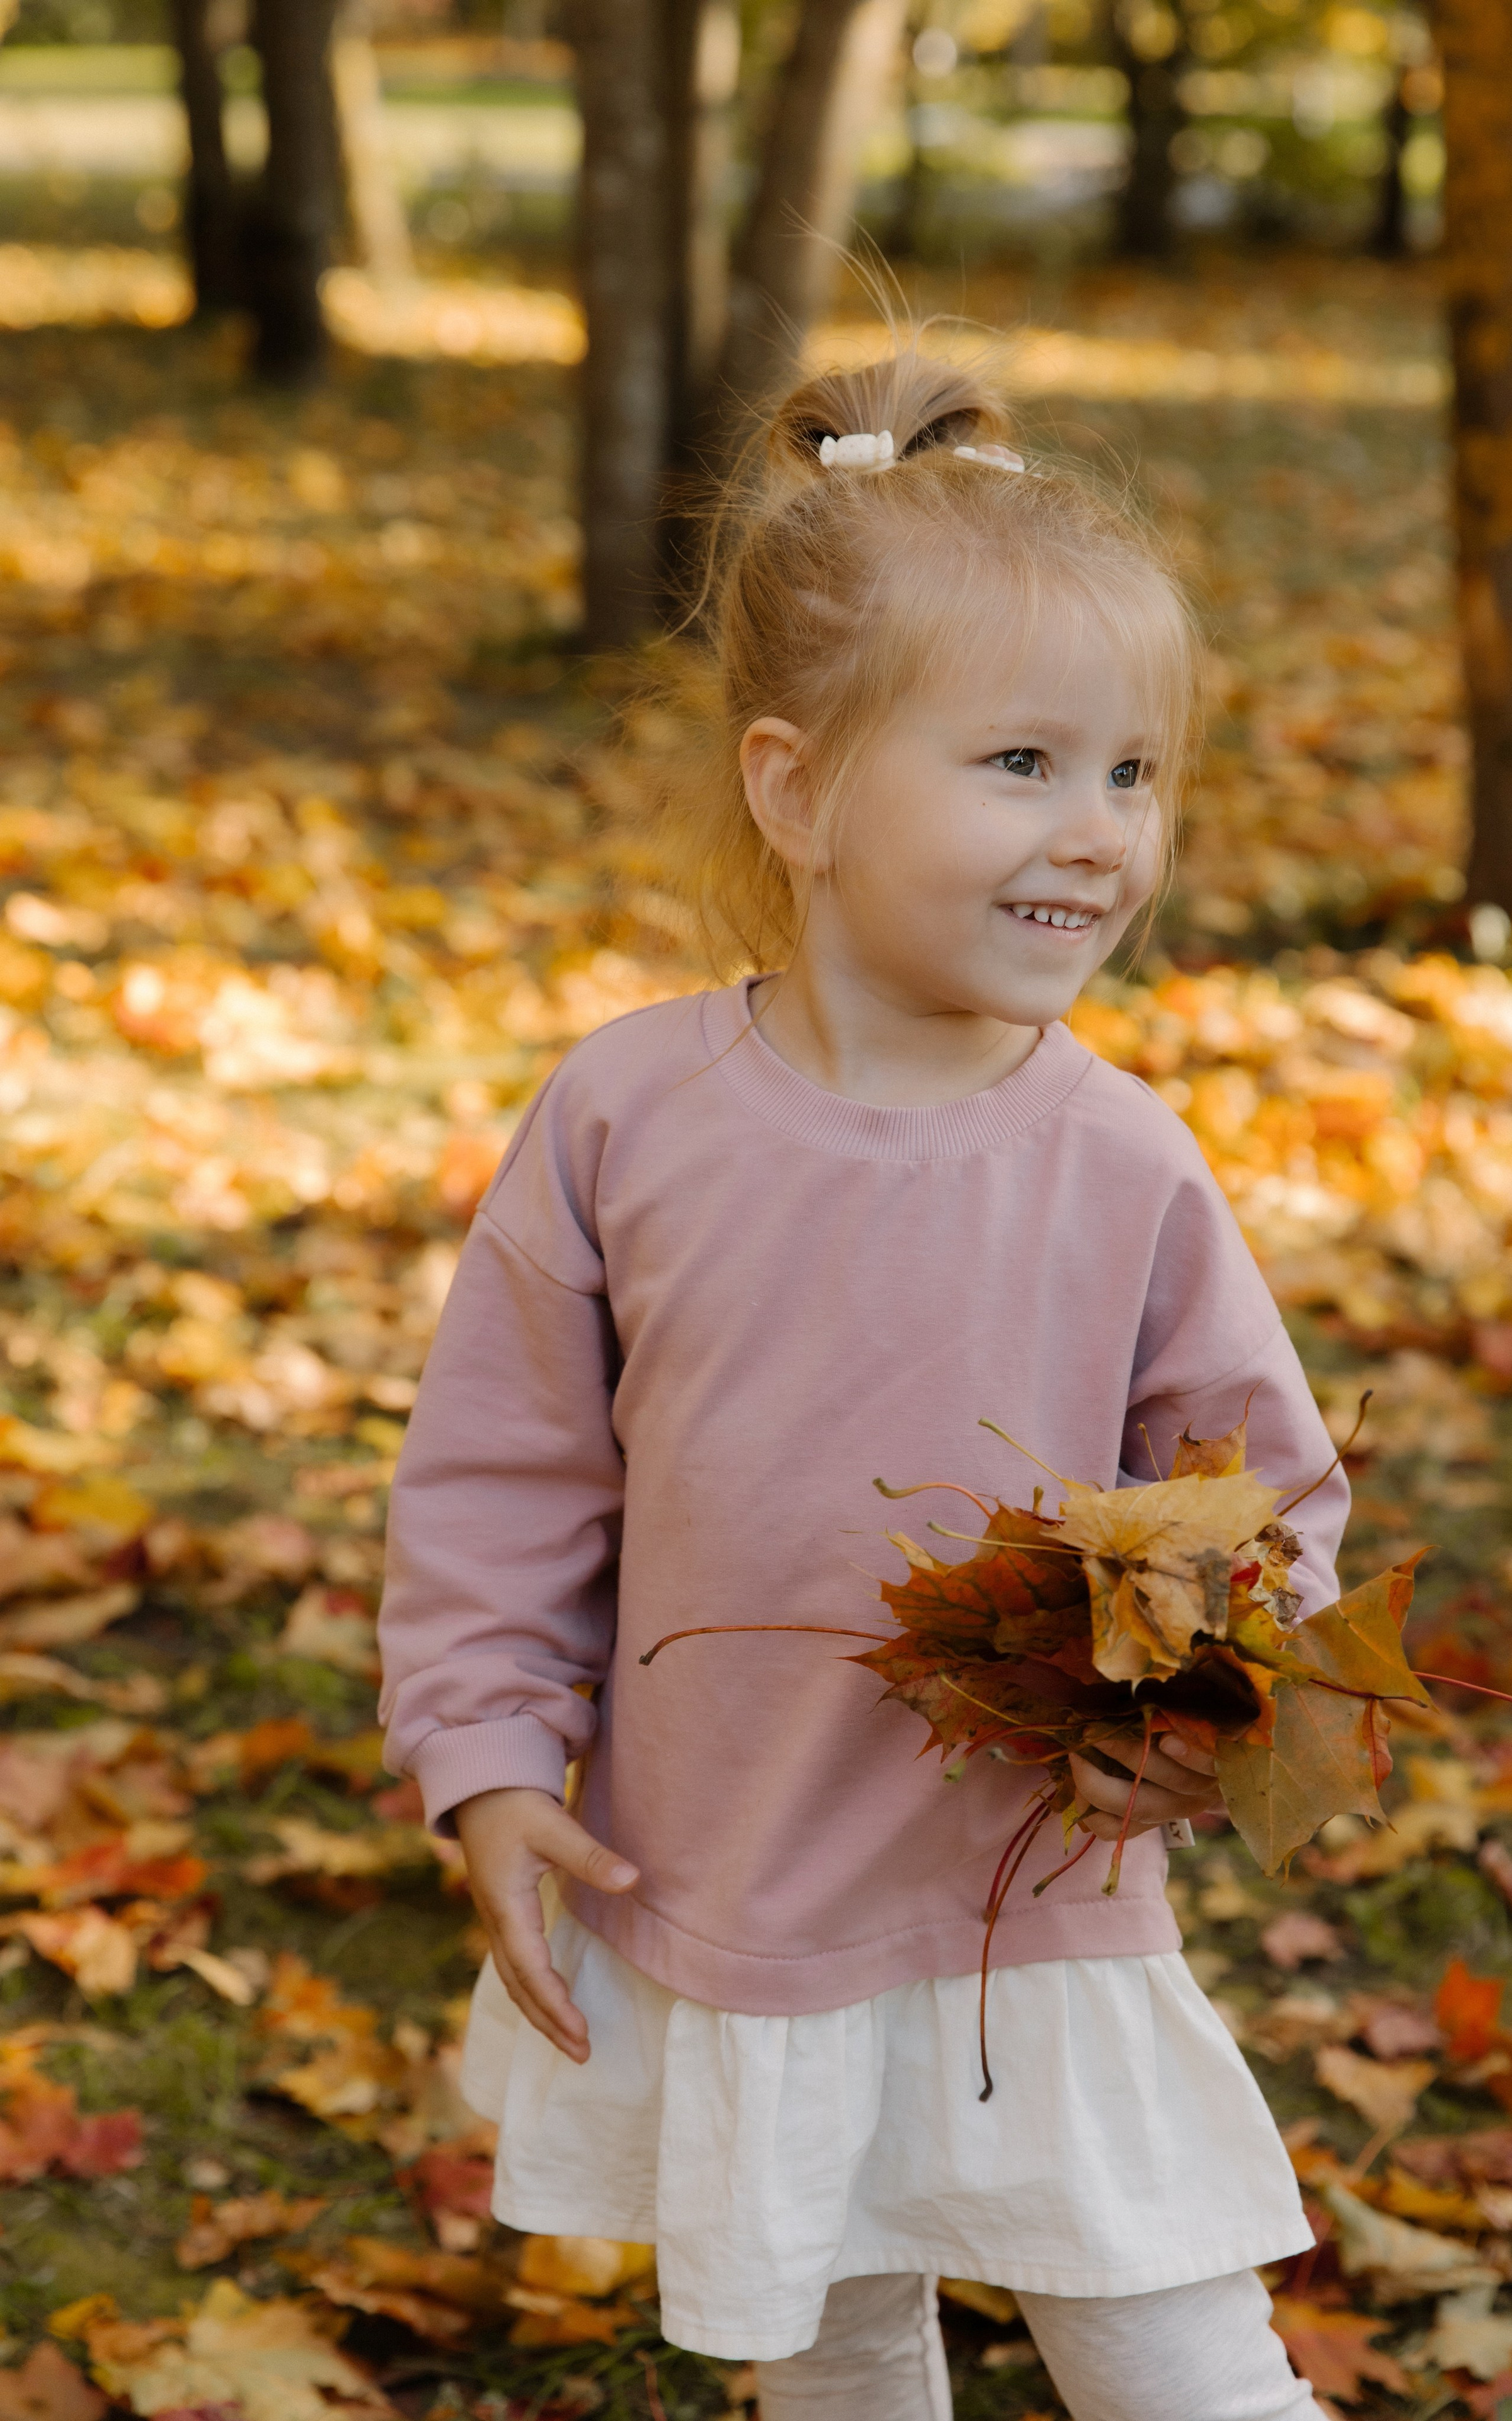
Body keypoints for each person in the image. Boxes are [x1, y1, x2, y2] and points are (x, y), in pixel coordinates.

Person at [378, 346, 1344, 2421]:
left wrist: (1199, 1699)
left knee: (1178, 2351)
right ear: (795, 785)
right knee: (826, 2339)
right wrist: (487, 1761)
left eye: (1135, 774)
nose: (1096, 833)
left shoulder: (1118, 1159)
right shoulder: (631, 1119)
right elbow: (501, 1484)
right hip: (734, 1886)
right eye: (1019, 764)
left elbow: (1261, 1498)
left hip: (1037, 1900)